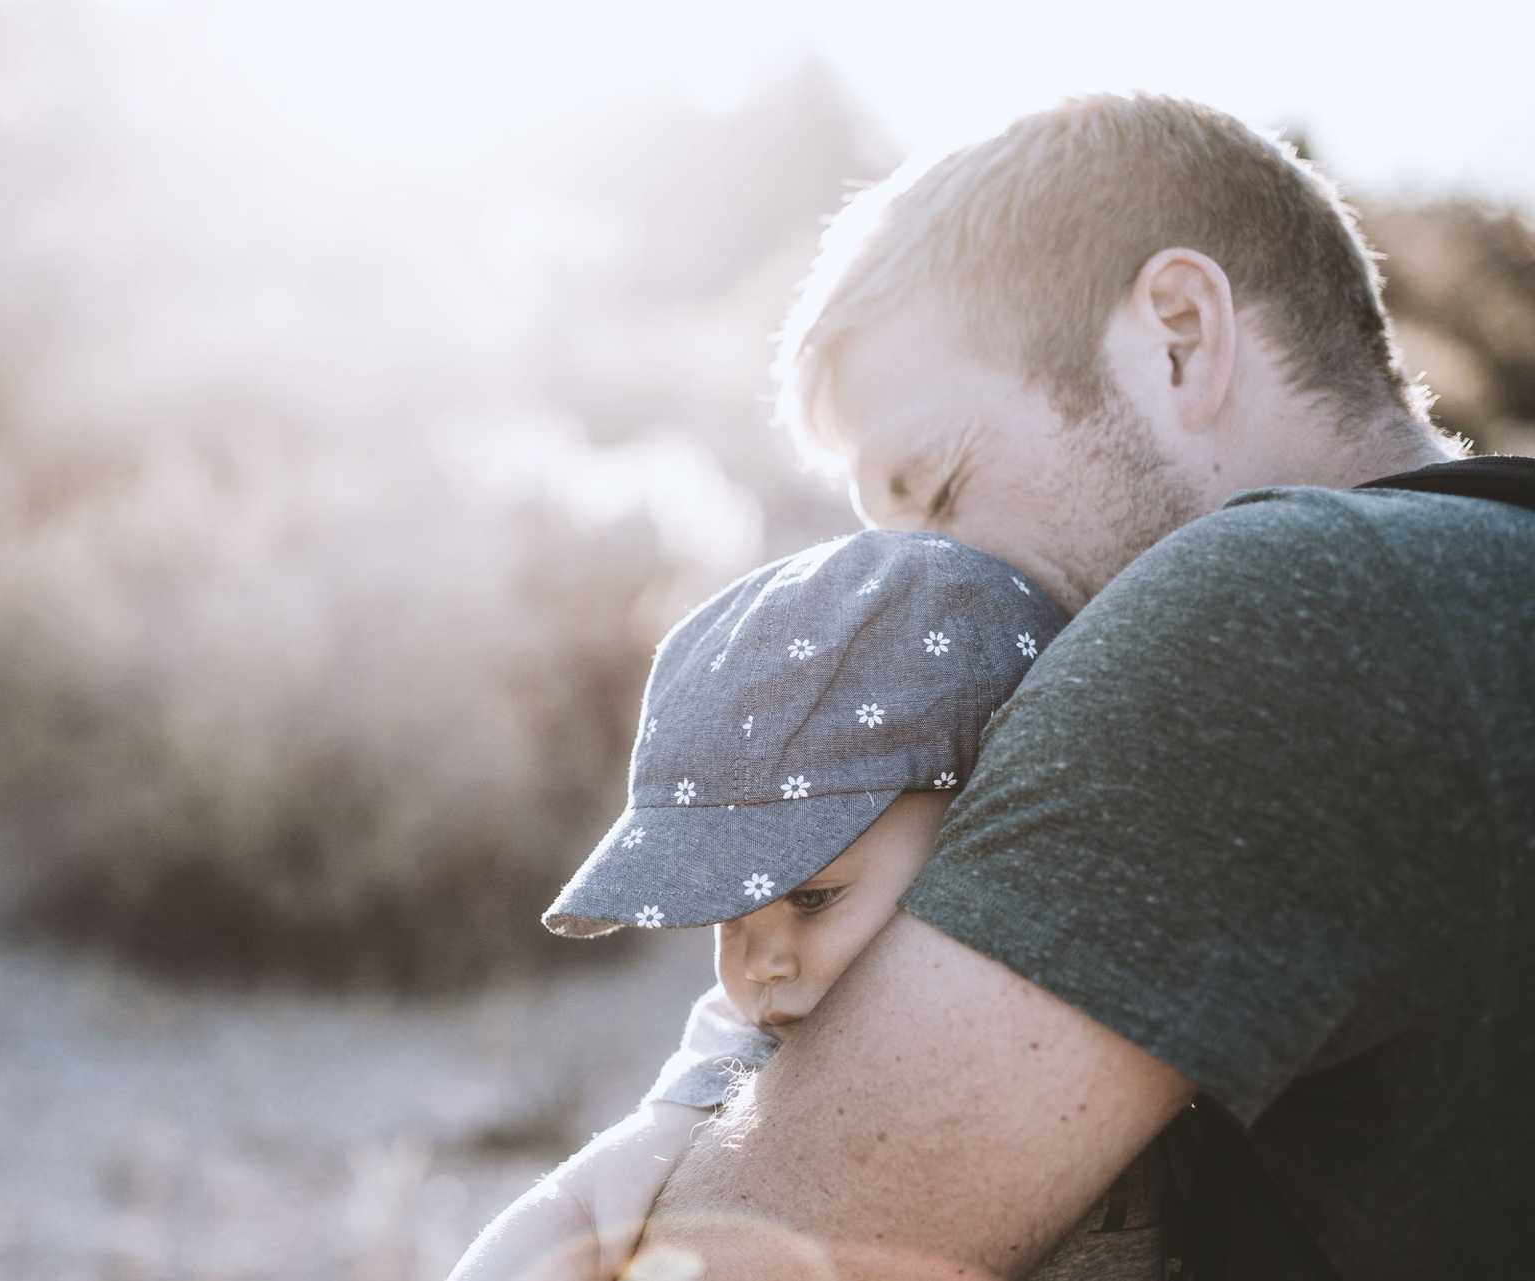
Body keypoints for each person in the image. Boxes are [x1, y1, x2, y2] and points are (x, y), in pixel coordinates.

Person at [628, 93, 1535, 1279]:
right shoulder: (1483, 578)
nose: (915, 589)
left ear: (1176, 333)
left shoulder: (1266, 609)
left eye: (940, 490)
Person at [448, 530, 1176, 1281]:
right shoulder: (758, 1043)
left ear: (981, 825)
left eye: (813, 897)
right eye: (729, 915)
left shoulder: (1114, 959)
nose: (760, 964)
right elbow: (581, 1204)